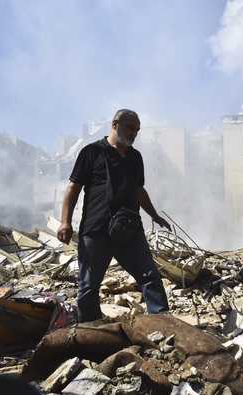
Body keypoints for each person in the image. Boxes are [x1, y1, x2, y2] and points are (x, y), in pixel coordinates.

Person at [57, 109, 171, 322]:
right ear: (115, 124)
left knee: (150, 277)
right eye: (130, 128)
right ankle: (91, 332)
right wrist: (65, 222)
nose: (134, 134)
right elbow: (73, 188)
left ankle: (163, 324)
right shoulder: (91, 152)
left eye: (137, 130)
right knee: (89, 286)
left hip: (130, 230)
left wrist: (155, 215)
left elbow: (139, 190)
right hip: (96, 230)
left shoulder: (135, 157)